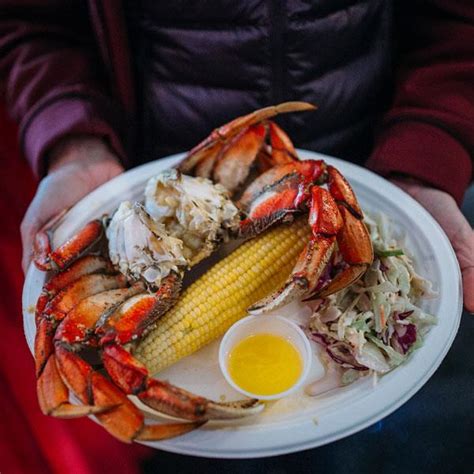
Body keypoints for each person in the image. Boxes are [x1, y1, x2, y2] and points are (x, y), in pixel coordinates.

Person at [0, 0, 473, 470]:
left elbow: (458, 19)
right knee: (64, 331)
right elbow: (33, 18)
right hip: (132, 170)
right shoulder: (111, 246)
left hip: (290, 173)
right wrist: (75, 144)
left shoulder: (259, 182)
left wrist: (426, 155)